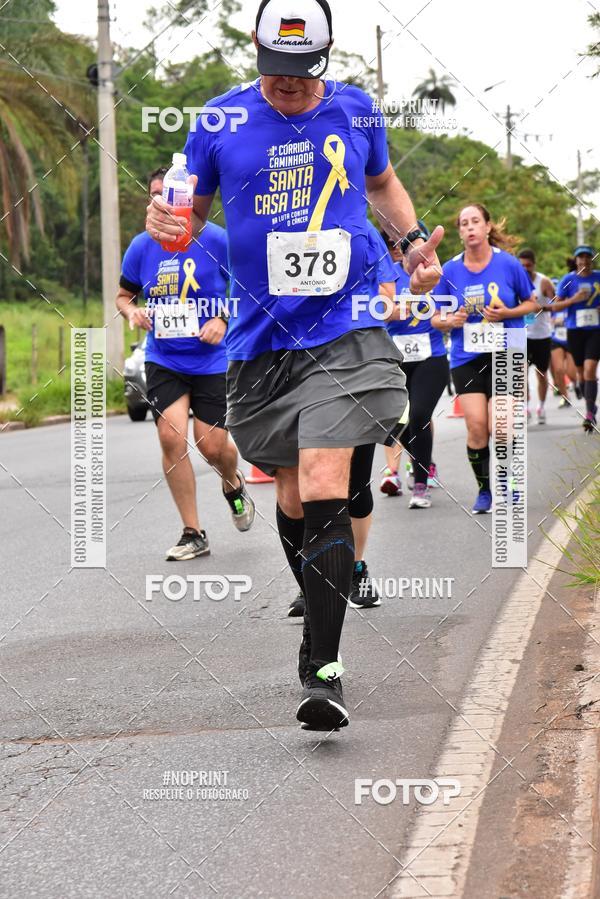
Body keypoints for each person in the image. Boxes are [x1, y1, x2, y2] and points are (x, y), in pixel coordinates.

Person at [146, 0, 443, 731]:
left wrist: (411, 244)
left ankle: (325, 667)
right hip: (260, 341)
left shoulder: (357, 111)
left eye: (303, 74)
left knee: (322, 477)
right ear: (255, 48)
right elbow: (183, 217)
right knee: (286, 490)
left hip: (348, 325)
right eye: (275, 72)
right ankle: (319, 618)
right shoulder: (216, 122)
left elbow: (381, 186)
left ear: (327, 56)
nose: (288, 87)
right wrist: (165, 224)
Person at [116, 166, 255, 561]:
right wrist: (132, 313)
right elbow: (124, 295)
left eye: (170, 193)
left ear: (187, 199)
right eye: (155, 194)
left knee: (211, 445)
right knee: (170, 438)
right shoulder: (142, 246)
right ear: (151, 201)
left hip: (213, 360)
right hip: (164, 357)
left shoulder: (218, 241)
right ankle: (193, 532)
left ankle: (232, 482)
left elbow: (245, 290)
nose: (163, 200)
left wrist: (223, 320)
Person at [287, 221, 397, 617]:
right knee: (305, 484)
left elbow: (387, 296)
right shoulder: (282, 224)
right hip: (294, 365)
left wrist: (351, 308)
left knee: (355, 484)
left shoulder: (363, 231)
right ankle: (314, 576)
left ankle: (354, 568)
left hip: (355, 365)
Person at [431, 204, 537, 514]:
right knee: (477, 427)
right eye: (464, 223)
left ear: (488, 227)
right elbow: (435, 317)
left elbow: (531, 303)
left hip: (507, 350)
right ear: (460, 231)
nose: (470, 227)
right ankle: (485, 490)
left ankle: (509, 482)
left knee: (501, 426)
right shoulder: (449, 270)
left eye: (476, 221)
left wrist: (507, 313)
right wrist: (450, 321)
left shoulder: (509, 264)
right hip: (466, 356)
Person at [379, 226, 449, 508]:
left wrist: (445, 319)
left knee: (419, 415)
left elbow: (450, 310)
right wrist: (392, 310)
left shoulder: (435, 273)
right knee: (398, 422)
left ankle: (420, 485)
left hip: (430, 358)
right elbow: (373, 312)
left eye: (406, 243)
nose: (400, 248)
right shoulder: (385, 276)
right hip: (395, 359)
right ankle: (417, 464)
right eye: (394, 243)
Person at [555, 245, 600, 431]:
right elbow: (556, 307)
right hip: (575, 330)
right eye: (580, 258)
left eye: (587, 258)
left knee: (590, 369)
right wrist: (573, 299)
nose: (584, 261)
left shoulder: (598, 277)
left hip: (595, 330)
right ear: (576, 261)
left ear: (592, 260)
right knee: (581, 373)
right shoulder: (568, 280)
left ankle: (589, 414)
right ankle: (591, 405)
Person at [517, 248, 555, 424]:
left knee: (541, 373)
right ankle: (525, 407)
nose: (525, 269)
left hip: (541, 335)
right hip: (522, 335)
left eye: (528, 265)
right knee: (521, 373)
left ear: (534, 264)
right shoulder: (514, 281)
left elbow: (557, 305)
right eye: (522, 265)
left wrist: (541, 307)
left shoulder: (544, 282)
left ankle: (541, 406)